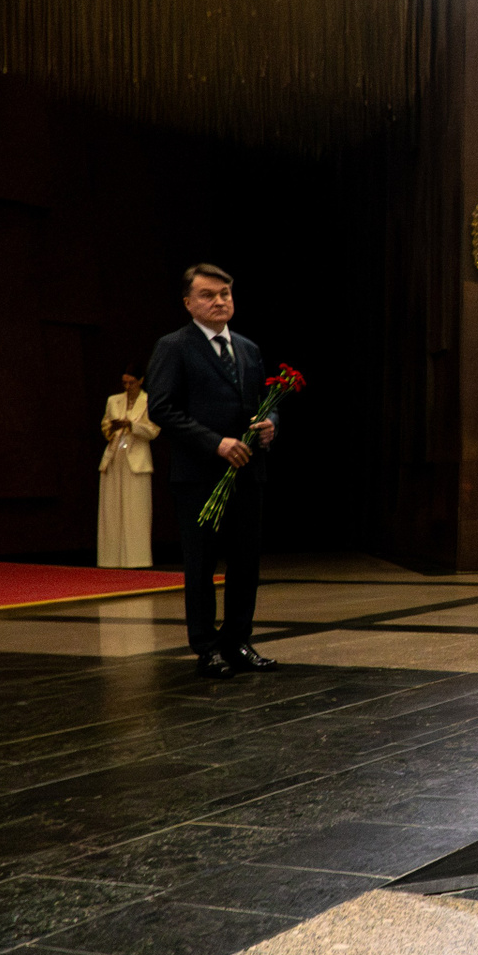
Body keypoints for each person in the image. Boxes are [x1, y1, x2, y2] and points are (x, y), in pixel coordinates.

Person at [145, 263, 279, 679]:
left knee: (245, 562)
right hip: (199, 474)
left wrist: (271, 424)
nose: (219, 301)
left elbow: (264, 402)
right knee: (201, 564)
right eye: (208, 295)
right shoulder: (174, 346)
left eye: (225, 294)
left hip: (248, 471)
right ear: (188, 303)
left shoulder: (248, 348)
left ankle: (238, 641)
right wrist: (215, 442)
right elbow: (161, 408)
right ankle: (206, 648)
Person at [97, 363, 160, 568]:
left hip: (137, 458)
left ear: (140, 381)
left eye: (131, 382)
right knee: (111, 509)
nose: (127, 386)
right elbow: (105, 426)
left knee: (136, 510)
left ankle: (137, 559)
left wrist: (131, 425)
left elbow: (153, 430)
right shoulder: (113, 400)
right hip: (115, 456)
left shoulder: (149, 401)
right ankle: (110, 558)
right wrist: (113, 427)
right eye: (124, 382)